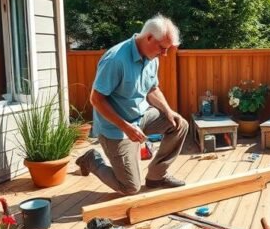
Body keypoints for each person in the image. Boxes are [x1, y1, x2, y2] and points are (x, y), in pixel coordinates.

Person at [75, 14, 189, 195]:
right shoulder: (115, 59)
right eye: (162, 48)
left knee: (180, 124)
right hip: (116, 127)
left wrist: (168, 111)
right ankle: (91, 160)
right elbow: (96, 100)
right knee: (130, 187)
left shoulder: (153, 59)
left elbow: (152, 89)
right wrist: (126, 128)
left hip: (141, 117)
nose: (165, 54)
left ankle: (156, 177)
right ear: (149, 37)